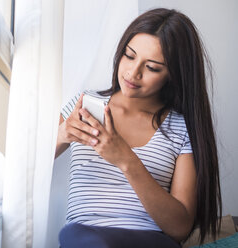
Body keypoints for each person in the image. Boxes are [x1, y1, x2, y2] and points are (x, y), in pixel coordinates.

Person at [55, 8, 221, 248]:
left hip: (150, 241)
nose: (133, 73)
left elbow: (179, 228)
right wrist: (61, 135)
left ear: (174, 75)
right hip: (86, 237)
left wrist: (126, 160)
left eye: (152, 67)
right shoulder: (83, 105)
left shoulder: (180, 128)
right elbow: (27, 167)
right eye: (129, 56)